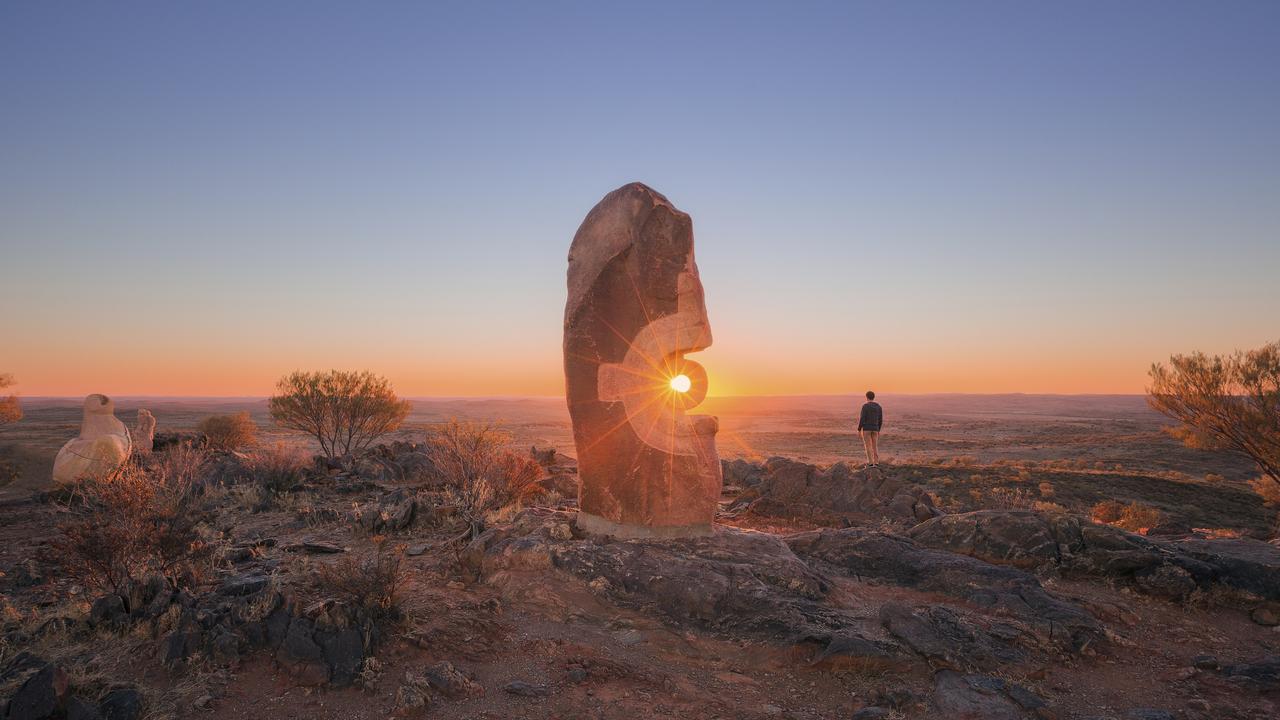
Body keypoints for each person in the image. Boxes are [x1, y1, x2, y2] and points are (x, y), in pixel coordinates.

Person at [857, 390, 882, 467]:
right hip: (875, 428)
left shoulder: (865, 406)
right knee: (875, 446)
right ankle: (876, 462)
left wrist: (859, 429)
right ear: (873, 397)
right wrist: (878, 429)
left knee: (868, 446)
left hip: (867, 429)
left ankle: (870, 463)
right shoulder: (878, 407)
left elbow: (862, 418)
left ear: (867, 397)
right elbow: (880, 419)